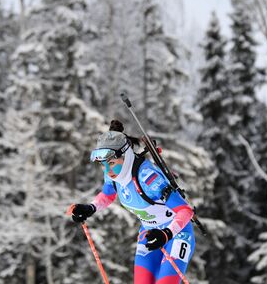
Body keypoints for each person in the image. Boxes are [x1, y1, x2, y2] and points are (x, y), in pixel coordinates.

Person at [71, 120, 195, 284]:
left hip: (177, 233)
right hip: (149, 232)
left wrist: (167, 234)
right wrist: (90, 208)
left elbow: (186, 210)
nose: (108, 171)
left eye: (112, 163)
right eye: (103, 165)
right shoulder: (113, 173)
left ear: (126, 156)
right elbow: (108, 195)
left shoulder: (147, 178)